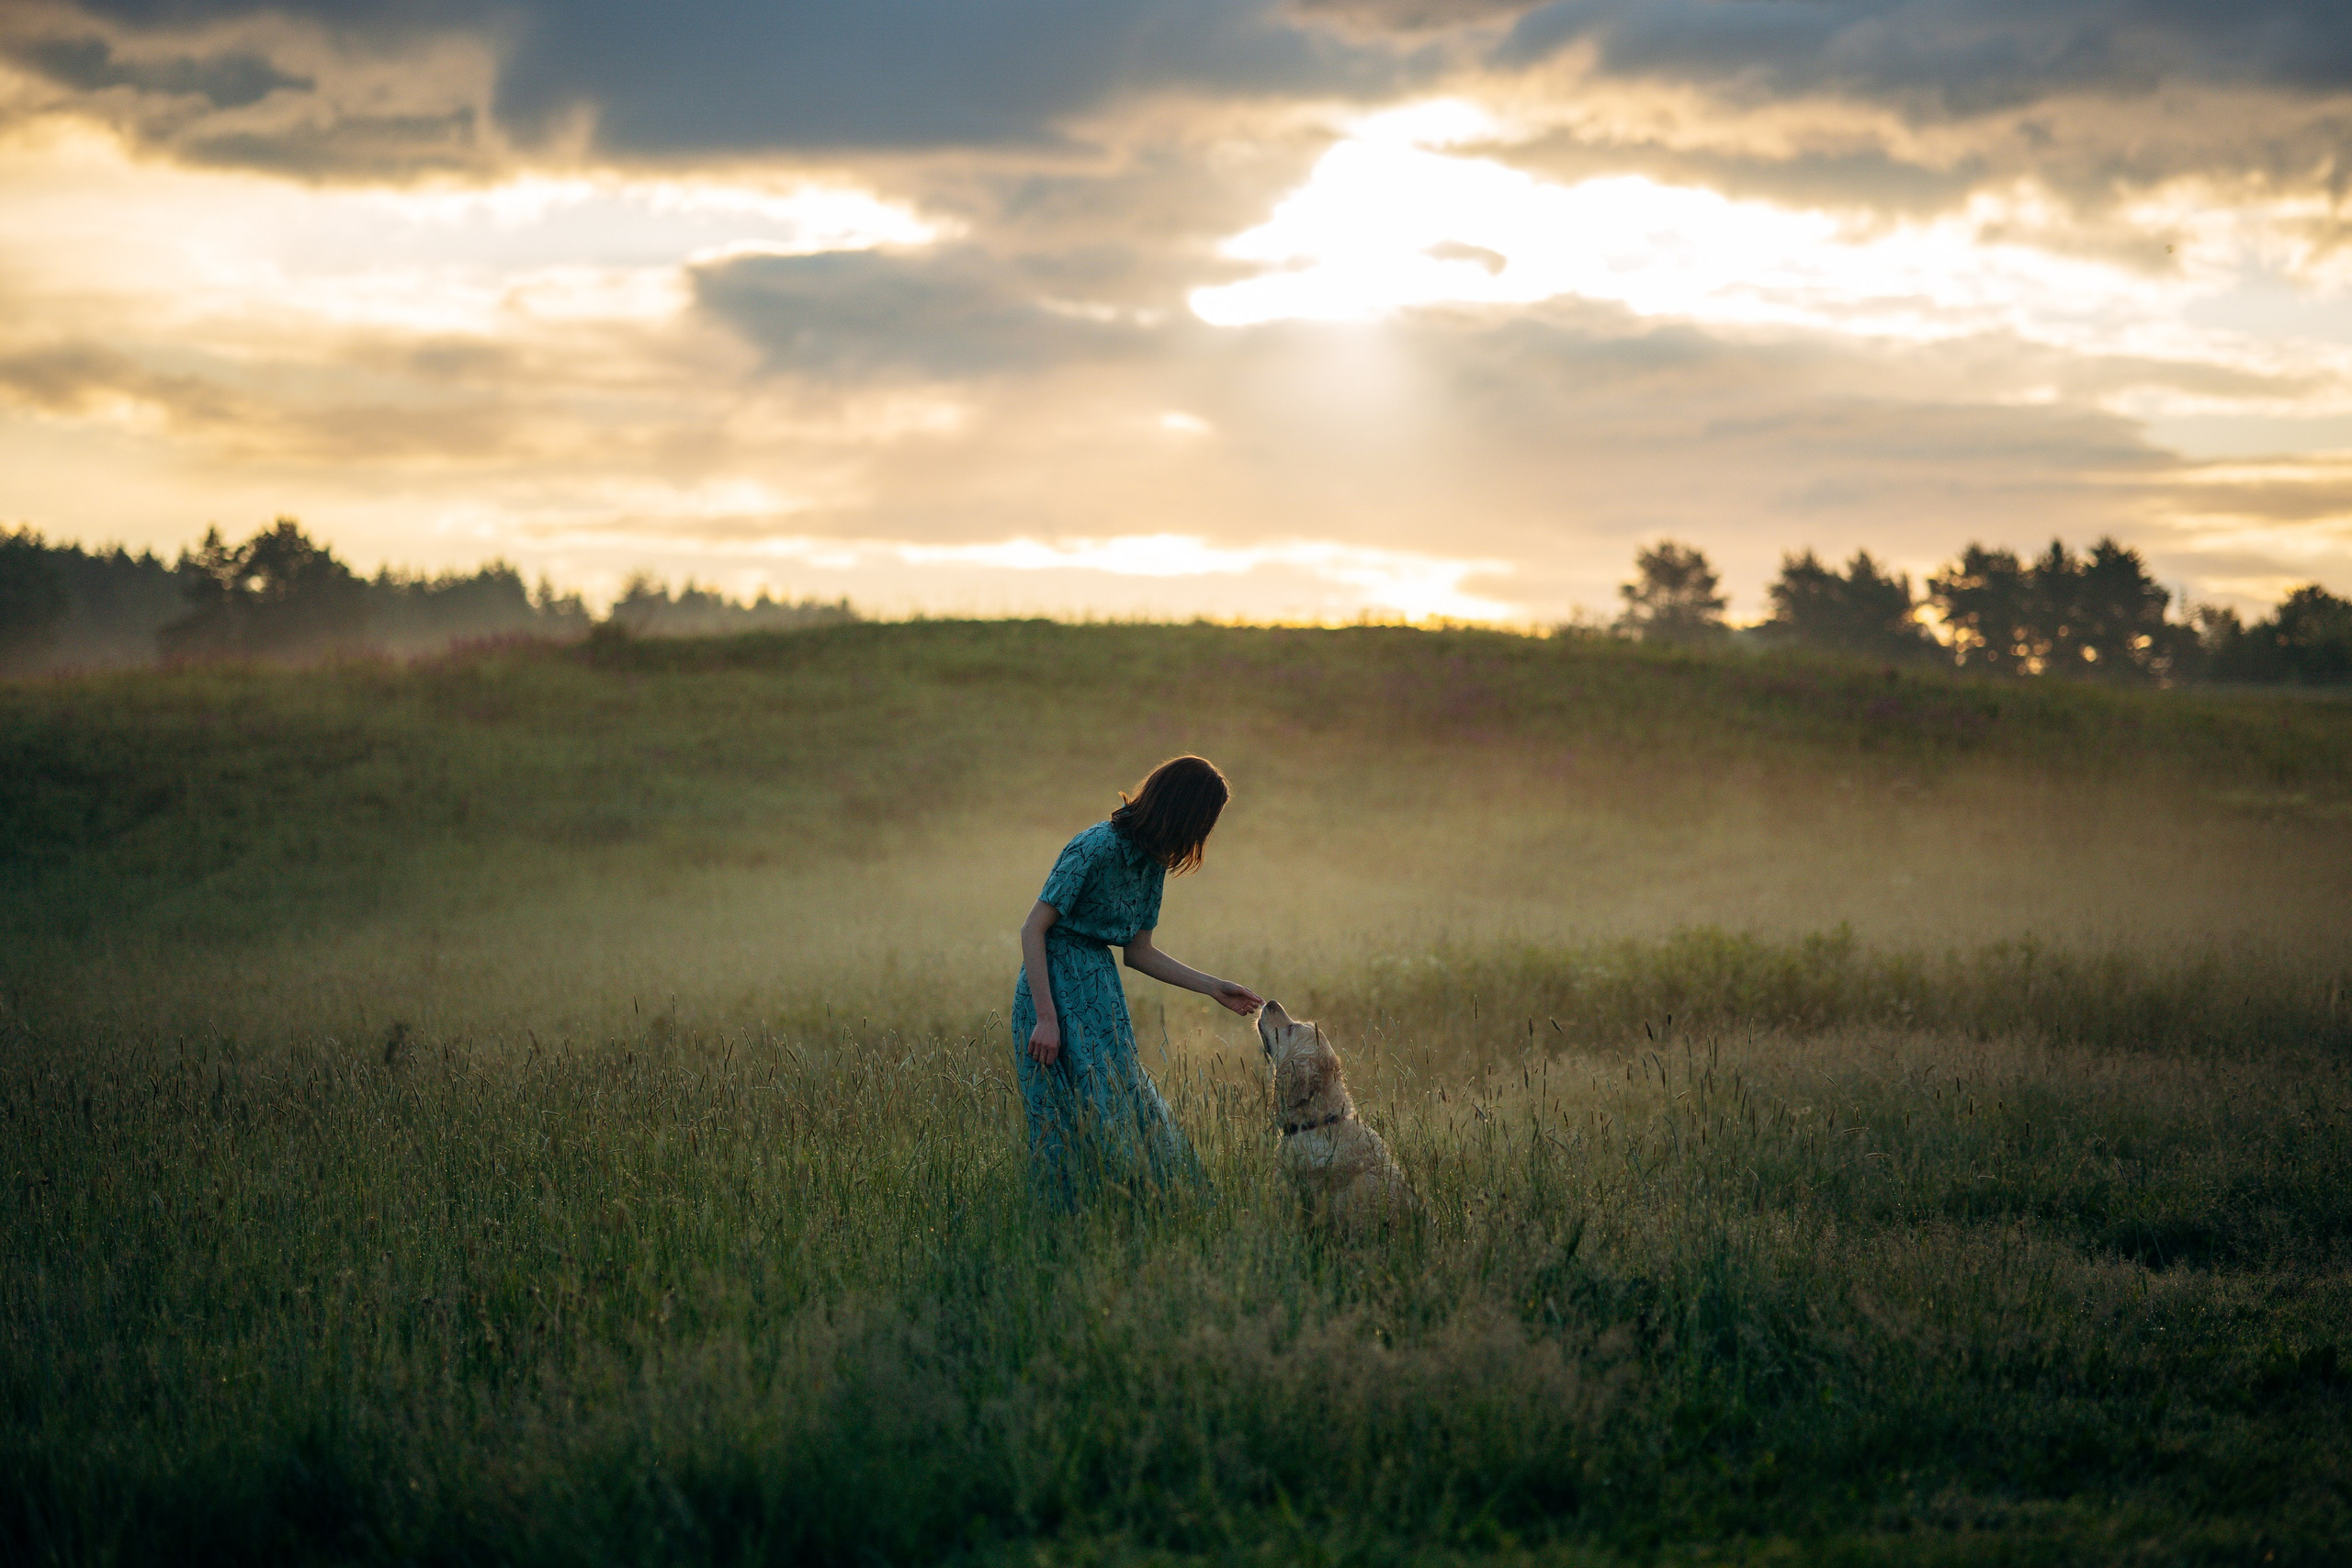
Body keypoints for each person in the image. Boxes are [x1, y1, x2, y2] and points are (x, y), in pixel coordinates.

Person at [1013, 755, 1262, 1204]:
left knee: (1121, 1108)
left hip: (1100, 991)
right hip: (1050, 987)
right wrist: (1046, 1019)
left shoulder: (1152, 864)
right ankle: (1069, 1223)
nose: (1201, 835)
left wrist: (1213, 986)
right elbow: (1034, 929)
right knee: (1065, 1118)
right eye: (1203, 821)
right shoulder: (1095, 846)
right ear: (1180, 809)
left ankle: (1137, 1209)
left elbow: (1139, 951)